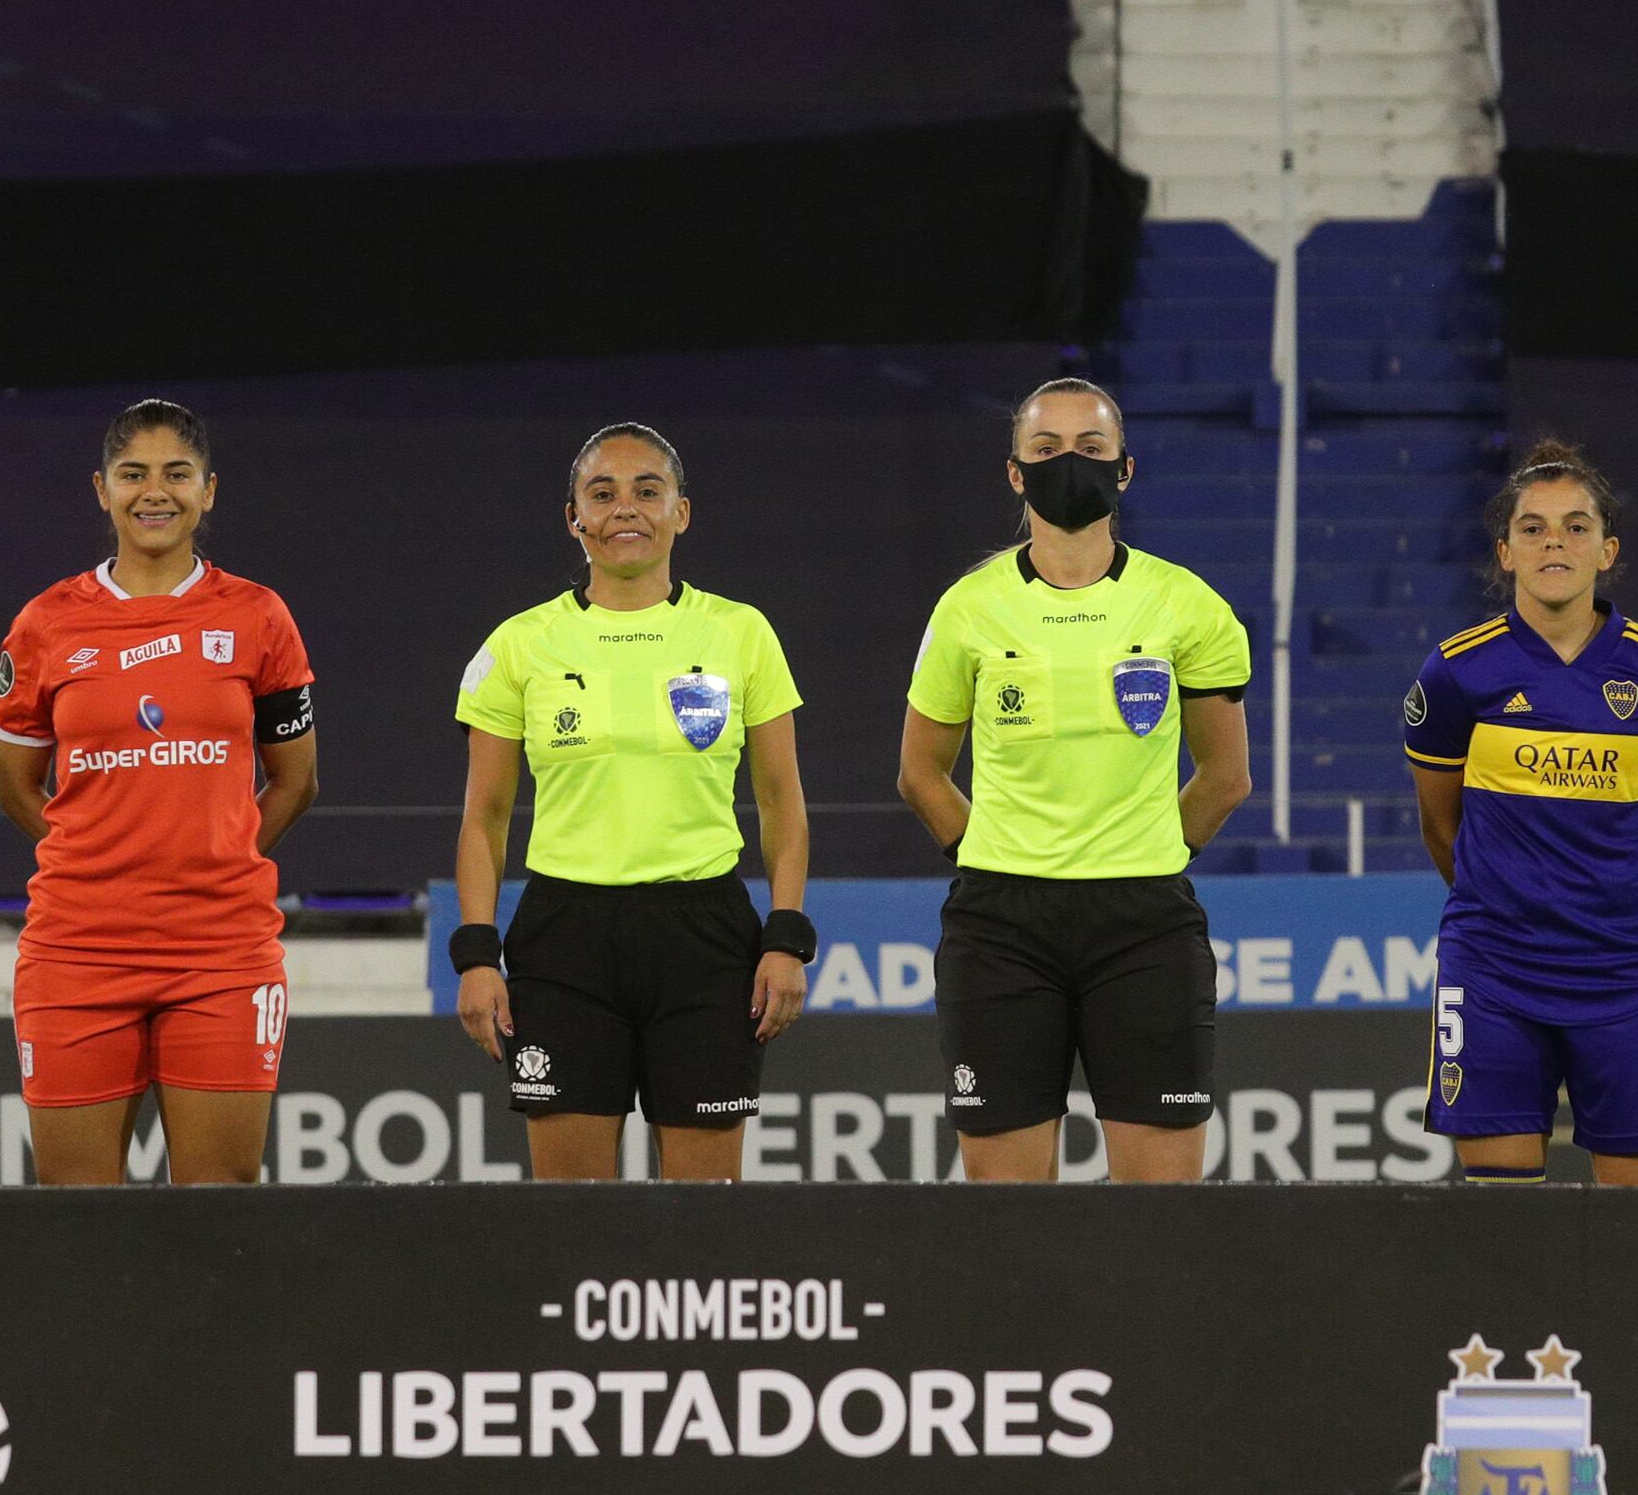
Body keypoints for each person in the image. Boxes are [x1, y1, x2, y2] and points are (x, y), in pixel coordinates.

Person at [897, 378, 1251, 1182]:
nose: (1070, 465)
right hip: (1000, 926)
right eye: (1046, 450)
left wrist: (1147, 847)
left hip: (1144, 921)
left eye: (1090, 449)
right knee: (1009, 1220)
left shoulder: (1185, 604)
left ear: (1124, 469)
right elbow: (920, 772)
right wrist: (988, 851)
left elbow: (1225, 777)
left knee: (1160, 1222)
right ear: (1015, 474)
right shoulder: (967, 609)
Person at [449, 424, 811, 1181]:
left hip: (706, 938)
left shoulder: (740, 633)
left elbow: (779, 799)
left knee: (703, 1217)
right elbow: (484, 816)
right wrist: (477, 952)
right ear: (572, 516)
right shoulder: (519, 644)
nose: (626, 509)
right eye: (602, 492)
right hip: (565, 938)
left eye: (648, 490)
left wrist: (784, 935)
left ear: (682, 511)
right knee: (573, 1216)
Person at [0, 400, 319, 1184]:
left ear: (209, 490)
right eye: (133, 474)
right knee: (79, 1218)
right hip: (77, 950)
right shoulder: (45, 624)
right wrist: (103, 862)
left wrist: (217, 858)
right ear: (100, 489)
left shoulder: (258, 617)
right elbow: (15, 787)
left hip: (220, 950)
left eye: (177, 473)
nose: (155, 492)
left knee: (215, 1213)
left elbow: (294, 780)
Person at [1402, 442, 1638, 1187]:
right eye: (1534, 527)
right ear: (1505, 551)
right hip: (1493, 969)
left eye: (1576, 526)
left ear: (1606, 550)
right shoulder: (1453, 673)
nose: (1555, 540)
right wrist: (1505, 908)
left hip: (1628, 971)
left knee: (1632, 1231)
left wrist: (1626, 921)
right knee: (1503, 1229)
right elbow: (1441, 829)